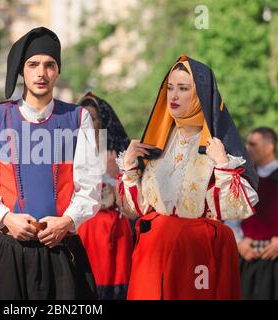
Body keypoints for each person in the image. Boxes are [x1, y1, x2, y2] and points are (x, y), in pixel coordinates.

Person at [0, 27, 102, 300]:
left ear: (58, 71)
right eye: (33, 65)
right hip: (6, 249)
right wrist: (5, 218)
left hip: (61, 249)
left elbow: (91, 187)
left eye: (50, 65)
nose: (41, 73)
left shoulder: (77, 118)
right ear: (21, 71)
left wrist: (67, 221)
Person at [119, 55, 259, 299]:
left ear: (200, 96)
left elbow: (239, 208)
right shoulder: (159, 141)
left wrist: (224, 165)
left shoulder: (215, 144)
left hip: (197, 252)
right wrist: (130, 167)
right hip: (153, 251)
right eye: (170, 88)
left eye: (183, 89)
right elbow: (136, 209)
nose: (173, 96)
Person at [77, 92, 133, 299]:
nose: (86, 122)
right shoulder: (68, 151)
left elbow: (133, 202)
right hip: (83, 230)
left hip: (115, 230)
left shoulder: (116, 154)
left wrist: (114, 176)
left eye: (91, 117)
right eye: (82, 116)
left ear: (102, 121)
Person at [236, 127, 278, 299]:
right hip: (247, 258)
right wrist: (238, 242)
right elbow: (233, 215)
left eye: (253, 144)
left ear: (269, 147)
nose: (248, 148)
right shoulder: (244, 178)